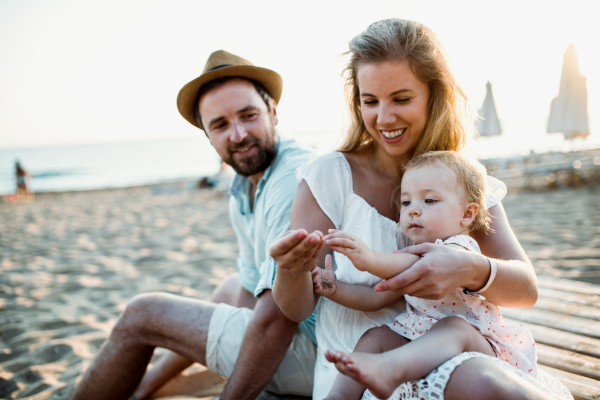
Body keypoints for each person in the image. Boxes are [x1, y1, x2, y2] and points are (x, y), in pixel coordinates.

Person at [269, 19, 571, 400]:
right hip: (355, 376)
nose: (384, 117)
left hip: (457, 365)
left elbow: (526, 290)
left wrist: (474, 268)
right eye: (370, 101)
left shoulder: (462, 182)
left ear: (434, 95)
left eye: (401, 98)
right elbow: (298, 309)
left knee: (480, 376)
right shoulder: (328, 176)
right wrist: (291, 271)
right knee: (377, 341)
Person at [72, 50, 317, 400]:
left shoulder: (290, 180)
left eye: (248, 116)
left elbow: (278, 319)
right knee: (231, 287)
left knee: (143, 314)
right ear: (207, 134)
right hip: (300, 337)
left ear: (273, 113)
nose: (237, 135)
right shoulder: (242, 186)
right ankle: (144, 387)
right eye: (220, 124)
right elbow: (249, 294)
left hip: (329, 357)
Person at [313, 151, 564, 399]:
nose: (413, 210)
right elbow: (376, 297)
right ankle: (337, 396)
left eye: (429, 201)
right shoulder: (408, 254)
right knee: (375, 337)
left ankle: (389, 370)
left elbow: (405, 265)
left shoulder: (460, 249)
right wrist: (335, 290)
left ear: (467, 214)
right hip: (424, 343)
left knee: (454, 327)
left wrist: (369, 258)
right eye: (406, 202)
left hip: (478, 346)